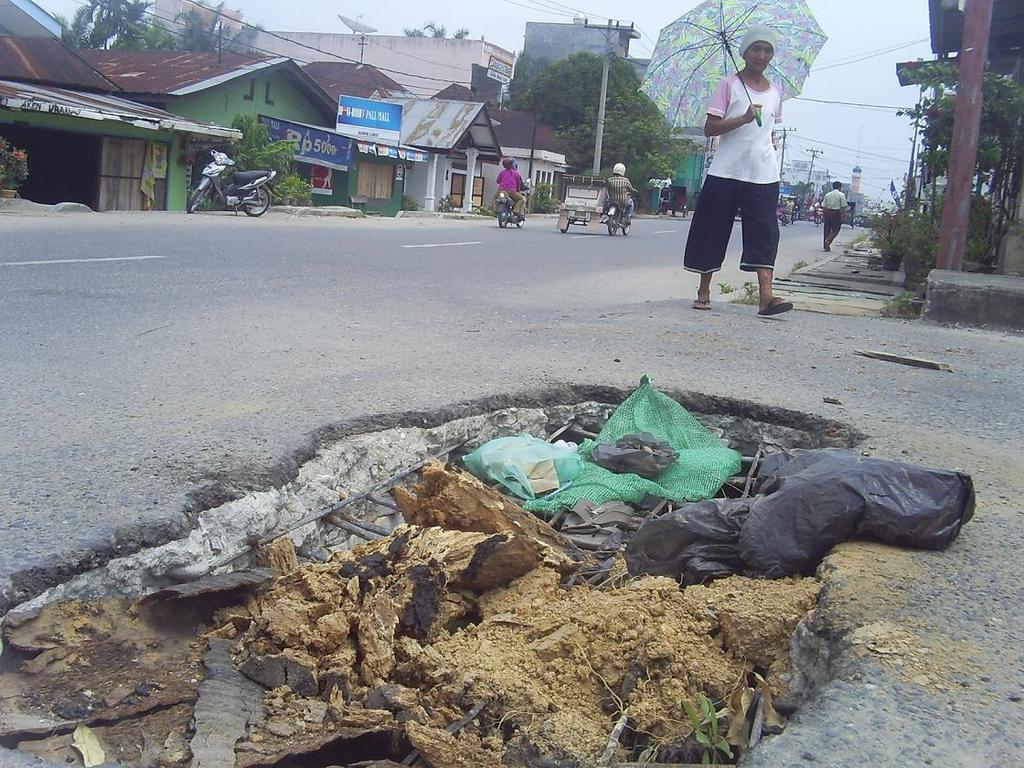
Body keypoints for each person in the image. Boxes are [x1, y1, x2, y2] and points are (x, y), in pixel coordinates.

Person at [682, 25, 792, 316]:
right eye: (756, 48)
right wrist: (742, 119)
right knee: (712, 229)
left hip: (763, 173)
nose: (761, 55)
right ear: (745, 52)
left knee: (765, 232)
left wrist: (766, 145)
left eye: (767, 50)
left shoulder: (776, 92)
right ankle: (704, 290)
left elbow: (768, 129)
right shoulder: (729, 85)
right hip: (726, 171)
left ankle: (766, 296)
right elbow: (710, 128)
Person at [821, 181, 848, 251]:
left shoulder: (828, 194)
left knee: (827, 229)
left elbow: (824, 206)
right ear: (839, 187)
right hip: (836, 213)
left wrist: (823, 215)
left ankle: (826, 245)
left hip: (828, 213)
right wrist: (843, 217)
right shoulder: (841, 195)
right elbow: (843, 207)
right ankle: (828, 240)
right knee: (836, 229)